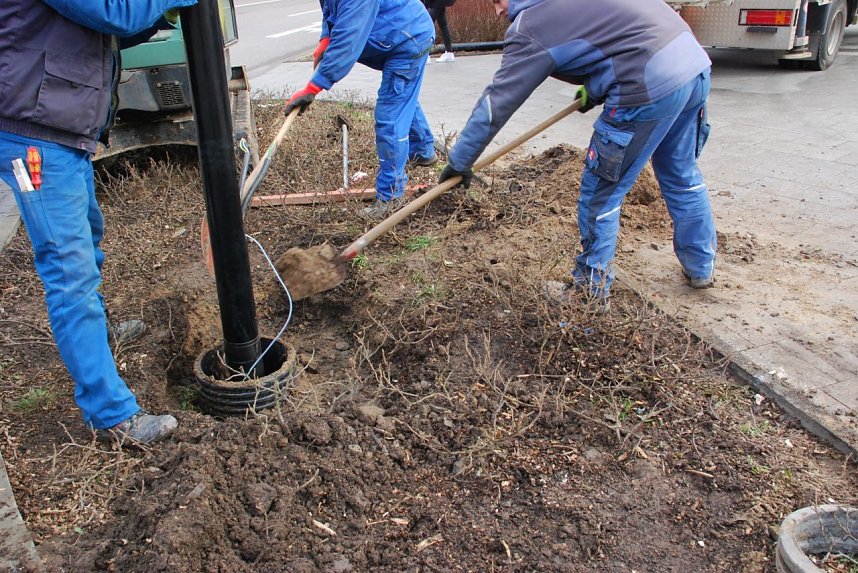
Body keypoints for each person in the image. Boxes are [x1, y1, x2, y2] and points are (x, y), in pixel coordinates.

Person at [0, 0, 197, 444]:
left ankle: (99, 337)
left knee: (86, 238)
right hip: (34, 137)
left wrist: (161, 15)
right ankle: (110, 414)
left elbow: (109, 31)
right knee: (69, 270)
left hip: (58, 128)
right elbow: (113, 12)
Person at [439, 0, 717, 311]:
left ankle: (589, 295)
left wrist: (460, 161)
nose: (497, 11)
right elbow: (617, 34)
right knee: (681, 173)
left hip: (647, 84)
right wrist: (596, 86)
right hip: (693, 63)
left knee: (601, 195)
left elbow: (496, 104)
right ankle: (700, 267)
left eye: (497, 0)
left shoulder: (529, 26)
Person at [285, 0, 437, 220]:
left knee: (389, 117)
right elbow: (331, 10)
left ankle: (391, 196)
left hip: (408, 39)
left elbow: (348, 40)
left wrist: (313, 87)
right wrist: (325, 39)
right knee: (402, 98)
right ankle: (423, 149)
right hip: (396, 34)